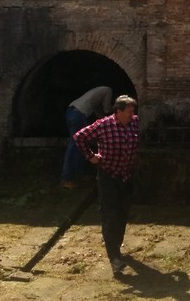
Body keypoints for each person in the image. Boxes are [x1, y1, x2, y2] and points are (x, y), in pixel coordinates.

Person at [72, 94, 140, 274]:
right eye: (129, 111)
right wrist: (91, 157)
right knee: (110, 213)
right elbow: (79, 137)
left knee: (123, 212)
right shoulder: (104, 125)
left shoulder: (134, 122)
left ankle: (116, 246)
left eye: (133, 111)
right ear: (118, 111)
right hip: (108, 174)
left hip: (126, 175)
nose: (132, 114)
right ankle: (114, 257)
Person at [61, 86, 113, 188]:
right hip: (79, 114)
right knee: (76, 144)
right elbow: (107, 109)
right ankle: (66, 178)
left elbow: (99, 113)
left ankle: (79, 173)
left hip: (71, 111)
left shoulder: (97, 94)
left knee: (80, 144)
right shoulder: (108, 90)